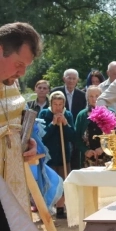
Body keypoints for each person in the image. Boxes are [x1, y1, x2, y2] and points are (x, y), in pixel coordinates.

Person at [0, 22, 42, 231]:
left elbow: (13, 123)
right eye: (19, 64)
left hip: (9, 192)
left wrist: (26, 143)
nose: (22, 72)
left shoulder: (10, 83)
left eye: (26, 66)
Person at [39, 91, 75, 219]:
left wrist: (65, 124)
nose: (58, 107)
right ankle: (47, 208)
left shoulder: (68, 115)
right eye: (55, 104)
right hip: (49, 157)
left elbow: (72, 136)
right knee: (49, 182)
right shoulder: (44, 114)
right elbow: (42, 137)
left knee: (64, 181)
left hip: (64, 155)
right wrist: (53, 124)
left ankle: (60, 208)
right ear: (51, 104)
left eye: (60, 104)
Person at [75, 86, 112, 168]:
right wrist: (85, 151)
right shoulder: (82, 115)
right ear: (87, 98)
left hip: (107, 158)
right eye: (91, 96)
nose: (94, 98)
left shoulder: (109, 113)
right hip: (87, 159)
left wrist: (103, 148)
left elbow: (115, 136)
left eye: (97, 96)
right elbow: (76, 137)